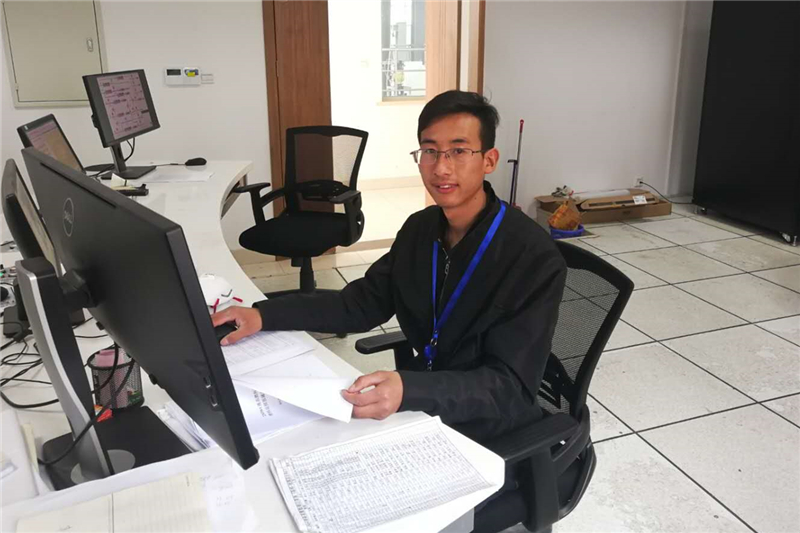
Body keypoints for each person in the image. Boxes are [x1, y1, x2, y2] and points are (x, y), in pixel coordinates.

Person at [213, 91, 566, 443]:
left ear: (489, 160)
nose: (441, 168)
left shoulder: (531, 256)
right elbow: (357, 306)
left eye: (459, 151)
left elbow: (510, 387)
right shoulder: (420, 229)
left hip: (488, 423)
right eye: (430, 151)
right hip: (425, 398)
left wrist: (411, 389)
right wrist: (263, 315)